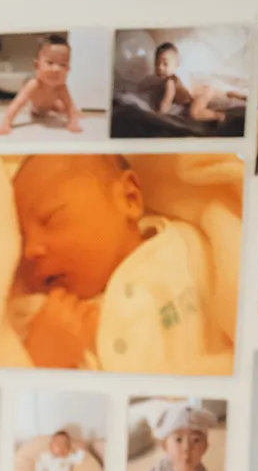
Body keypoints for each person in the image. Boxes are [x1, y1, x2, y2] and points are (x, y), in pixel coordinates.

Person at [12, 154, 233, 375]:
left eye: (51, 219)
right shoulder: (35, 315)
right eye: (20, 239)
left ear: (129, 198)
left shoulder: (191, 248)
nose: (30, 250)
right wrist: (39, 360)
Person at [0, 34, 83, 135]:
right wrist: (5, 124)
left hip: (52, 106)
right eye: (50, 62)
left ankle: (62, 111)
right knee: (34, 108)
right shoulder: (34, 85)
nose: (56, 69)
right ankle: (44, 110)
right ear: (37, 65)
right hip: (35, 109)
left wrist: (73, 122)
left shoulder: (61, 87)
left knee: (65, 109)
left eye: (63, 65)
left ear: (67, 70)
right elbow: (16, 105)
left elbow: (70, 105)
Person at [148, 40, 246, 125]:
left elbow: (166, 102)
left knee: (194, 114)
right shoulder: (179, 75)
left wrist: (158, 116)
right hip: (205, 88)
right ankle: (236, 94)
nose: (160, 68)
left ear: (176, 65)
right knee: (222, 95)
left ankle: (218, 116)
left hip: (200, 95)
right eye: (157, 64)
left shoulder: (171, 82)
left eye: (165, 64)